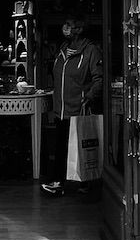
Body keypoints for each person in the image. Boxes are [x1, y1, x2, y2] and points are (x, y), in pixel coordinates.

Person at [42, 18, 103, 197]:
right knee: (61, 146)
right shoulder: (62, 49)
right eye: (65, 24)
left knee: (82, 146)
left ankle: (87, 183)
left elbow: (99, 79)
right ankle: (58, 183)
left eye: (69, 25)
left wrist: (89, 97)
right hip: (61, 108)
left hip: (79, 108)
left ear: (80, 28)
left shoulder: (91, 51)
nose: (65, 28)